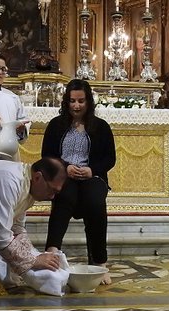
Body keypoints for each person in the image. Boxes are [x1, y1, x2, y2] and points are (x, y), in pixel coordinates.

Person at [41, 79, 116, 284]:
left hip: (93, 176)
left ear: (89, 102)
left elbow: (110, 158)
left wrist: (92, 170)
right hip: (64, 176)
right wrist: (65, 167)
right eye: (72, 101)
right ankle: (52, 253)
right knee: (64, 197)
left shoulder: (101, 126)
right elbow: (46, 155)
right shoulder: (56, 125)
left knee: (95, 202)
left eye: (81, 101)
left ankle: (99, 262)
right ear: (66, 102)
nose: (76, 106)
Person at [0, 158, 69, 296]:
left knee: (16, 274)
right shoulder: (7, 181)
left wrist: (34, 256)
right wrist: (32, 260)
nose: (52, 196)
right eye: (52, 190)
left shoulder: (29, 185)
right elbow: (0, 237)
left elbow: (16, 227)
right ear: (38, 177)